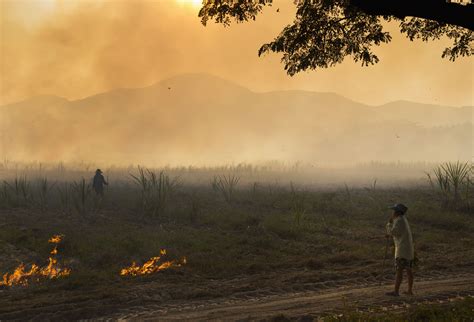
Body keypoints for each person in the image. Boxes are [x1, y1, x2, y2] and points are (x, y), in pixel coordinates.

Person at [385, 203, 414, 296]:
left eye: (394, 211)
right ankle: (409, 290)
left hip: (402, 249)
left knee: (399, 270)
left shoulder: (399, 221)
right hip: (407, 249)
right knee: (408, 269)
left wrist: (389, 224)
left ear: (397, 212)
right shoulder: (403, 220)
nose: (393, 213)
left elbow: (394, 232)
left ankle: (396, 291)